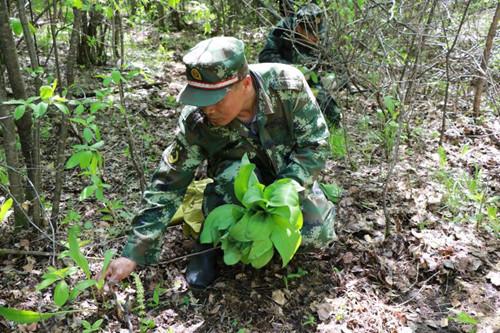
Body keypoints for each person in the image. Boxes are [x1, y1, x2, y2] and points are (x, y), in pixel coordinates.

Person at [102, 36, 336, 289]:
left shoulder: (286, 86)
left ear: (245, 83)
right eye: (200, 100)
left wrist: (292, 183)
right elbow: (168, 183)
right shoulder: (196, 122)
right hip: (233, 185)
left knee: (316, 235)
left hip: (287, 177)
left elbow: (316, 143)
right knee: (233, 177)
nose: (207, 109)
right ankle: (208, 238)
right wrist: (133, 253)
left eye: (215, 99)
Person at [259, 3, 342, 128]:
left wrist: (330, 75)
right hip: (282, 77)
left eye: (318, 32)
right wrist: (294, 69)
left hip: (311, 76)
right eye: (311, 33)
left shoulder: (322, 36)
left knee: (323, 98)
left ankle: (334, 121)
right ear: (299, 28)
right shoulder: (282, 31)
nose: (316, 38)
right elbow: (265, 56)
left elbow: (334, 62)